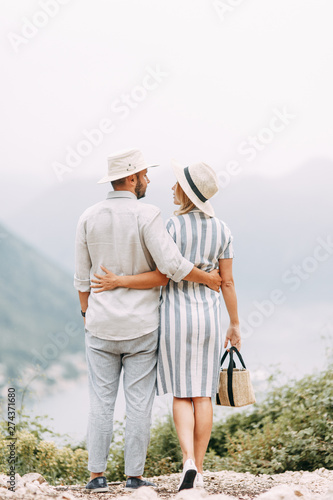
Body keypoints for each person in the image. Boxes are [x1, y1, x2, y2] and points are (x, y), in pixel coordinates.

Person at [74, 149, 222, 493]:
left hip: (99, 326)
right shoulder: (148, 215)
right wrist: (209, 279)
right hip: (142, 328)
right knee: (139, 403)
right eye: (143, 175)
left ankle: (97, 476)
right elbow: (172, 267)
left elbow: (82, 280)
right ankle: (134, 477)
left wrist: (87, 315)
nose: (148, 180)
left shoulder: (88, 216)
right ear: (130, 179)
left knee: (100, 402)